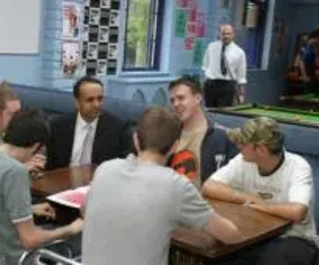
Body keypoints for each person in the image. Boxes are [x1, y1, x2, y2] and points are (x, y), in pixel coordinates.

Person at [82, 106, 243, 265]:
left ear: (136, 139)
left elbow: (84, 210)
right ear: (175, 146)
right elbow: (231, 236)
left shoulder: (105, 168)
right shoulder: (176, 186)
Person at [0, 110, 83, 265]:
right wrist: (71, 229)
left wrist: (29, 209)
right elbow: (30, 241)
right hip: (15, 258)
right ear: (36, 146)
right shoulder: (15, 172)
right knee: (81, 240)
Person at [202, 117, 318, 265]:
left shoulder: (298, 167)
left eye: (243, 143)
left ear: (261, 149)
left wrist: (263, 205)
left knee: (271, 259)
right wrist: (248, 198)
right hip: (255, 236)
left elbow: (298, 211)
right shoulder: (243, 160)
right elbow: (209, 186)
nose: (238, 146)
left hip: (296, 237)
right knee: (220, 255)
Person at [46, 76, 131, 170]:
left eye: (100, 99)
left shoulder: (118, 128)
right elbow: (49, 164)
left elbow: (125, 165)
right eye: (90, 100)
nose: (96, 105)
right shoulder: (58, 126)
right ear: (77, 103)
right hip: (63, 181)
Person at [167, 77, 236, 188]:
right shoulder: (168, 134)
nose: (175, 104)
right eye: (172, 100)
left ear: (198, 98)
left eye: (181, 98)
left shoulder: (222, 136)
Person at [202, 24, 247, 107]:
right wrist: (205, 83)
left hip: (227, 85)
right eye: (223, 33)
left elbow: (241, 75)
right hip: (211, 84)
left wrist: (241, 94)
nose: (226, 36)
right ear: (219, 34)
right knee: (209, 112)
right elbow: (205, 66)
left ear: (233, 35)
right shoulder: (211, 47)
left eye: (228, 34)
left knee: (223, 112)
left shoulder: (239, 52)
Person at [301, 29, 319, 95]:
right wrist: (305, 76)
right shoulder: (307, 47)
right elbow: (302, 61)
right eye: (314, 43)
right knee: (308, 99)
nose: (315, 46)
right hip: (309, 79)